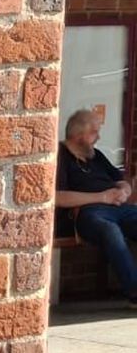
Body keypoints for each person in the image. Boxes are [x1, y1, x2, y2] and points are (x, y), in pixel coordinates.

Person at [55, 109, 137, 307]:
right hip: (87, 211)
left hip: (117, 206)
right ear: (78, 135)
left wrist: (124, 189)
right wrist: (102, 197)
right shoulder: (61, 156)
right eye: (94, 132)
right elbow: (58, 197)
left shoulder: (95, 155)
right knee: (110, 231)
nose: (98, 137)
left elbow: (120, 180)